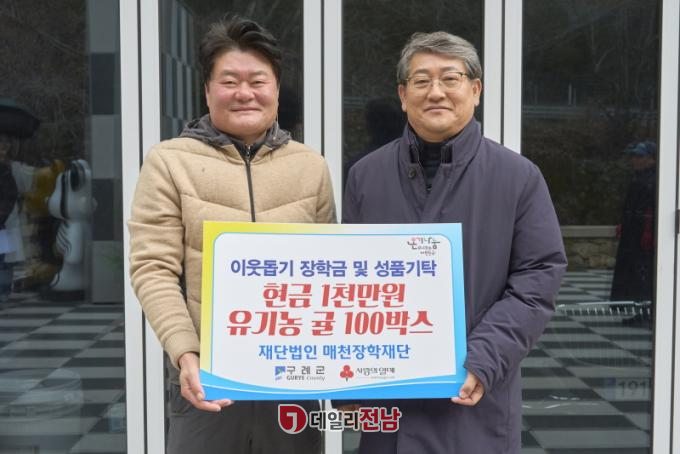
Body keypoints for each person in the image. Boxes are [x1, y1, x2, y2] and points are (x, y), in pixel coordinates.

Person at [338, 32, 567, 453]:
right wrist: (341, 373)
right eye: (421, 80)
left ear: (475, 90)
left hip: (474, 398)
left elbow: (538, 279)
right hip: (390, 403)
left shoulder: (518, 177)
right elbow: (348, 282)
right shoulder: (366, 176)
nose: (436, 92)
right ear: (403, 95)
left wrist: (483, 358)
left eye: (450, 78)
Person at [128, 15, 335, 454]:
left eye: (257, 81)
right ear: (207, 90)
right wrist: (185, 353)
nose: (244, 93)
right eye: (229, 81)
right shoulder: (169, 161)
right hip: (205, 381)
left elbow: (329, 272)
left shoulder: (310, 166)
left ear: (276, 89)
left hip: (292, 380)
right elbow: (153, 267)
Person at [610, 141, 656, 322]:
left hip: (643, 236)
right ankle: (641, 311)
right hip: (633, 234)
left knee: (643, 274)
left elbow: (651, 209)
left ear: (650, 159)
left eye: (639, 156)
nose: (634, 160)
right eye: (634, 156)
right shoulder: (639, 178)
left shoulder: (653, 179)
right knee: (634, 274)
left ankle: (647, 313)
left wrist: (648, 232)